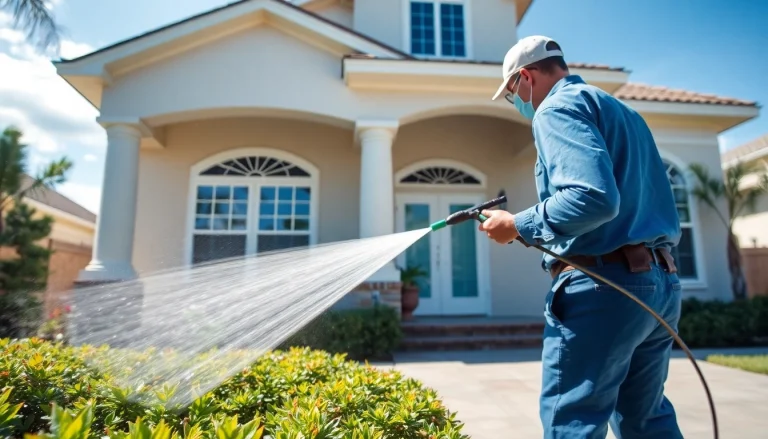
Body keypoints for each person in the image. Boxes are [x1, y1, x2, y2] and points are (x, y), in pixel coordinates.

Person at [481, 35, 685, 439]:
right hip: (659, 285)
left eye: (511, 93)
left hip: (604, 287)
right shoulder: (622, 111)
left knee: (572, 422)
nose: (517, 102)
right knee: (646, 421)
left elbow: (592, 199)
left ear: (526, 77)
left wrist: (516, 226)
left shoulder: (556, 108)